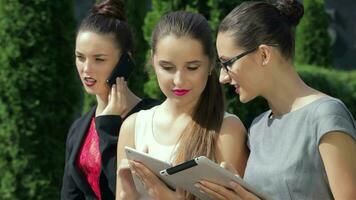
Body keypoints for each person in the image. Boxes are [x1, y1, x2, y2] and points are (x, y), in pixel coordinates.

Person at [195, 0, 356, 199]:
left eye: (228, 63)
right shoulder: (258, 127)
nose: (223, 77)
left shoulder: (326, 116)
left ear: (264, 54)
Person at [115, 11, 249, 200]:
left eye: (192, 67)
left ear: (211, 64)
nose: (179, 80)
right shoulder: (133, 126)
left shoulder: (227, 130)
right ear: (153, 61)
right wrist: (126, 196)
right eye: (167, 68)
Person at [60, 0, 159, 199]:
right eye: (80, 57)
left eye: (99, 59)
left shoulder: (151, 118)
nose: (86, 69)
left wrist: (109, 126)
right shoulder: (79, 129)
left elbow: (128, 191)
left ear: (125, 60)